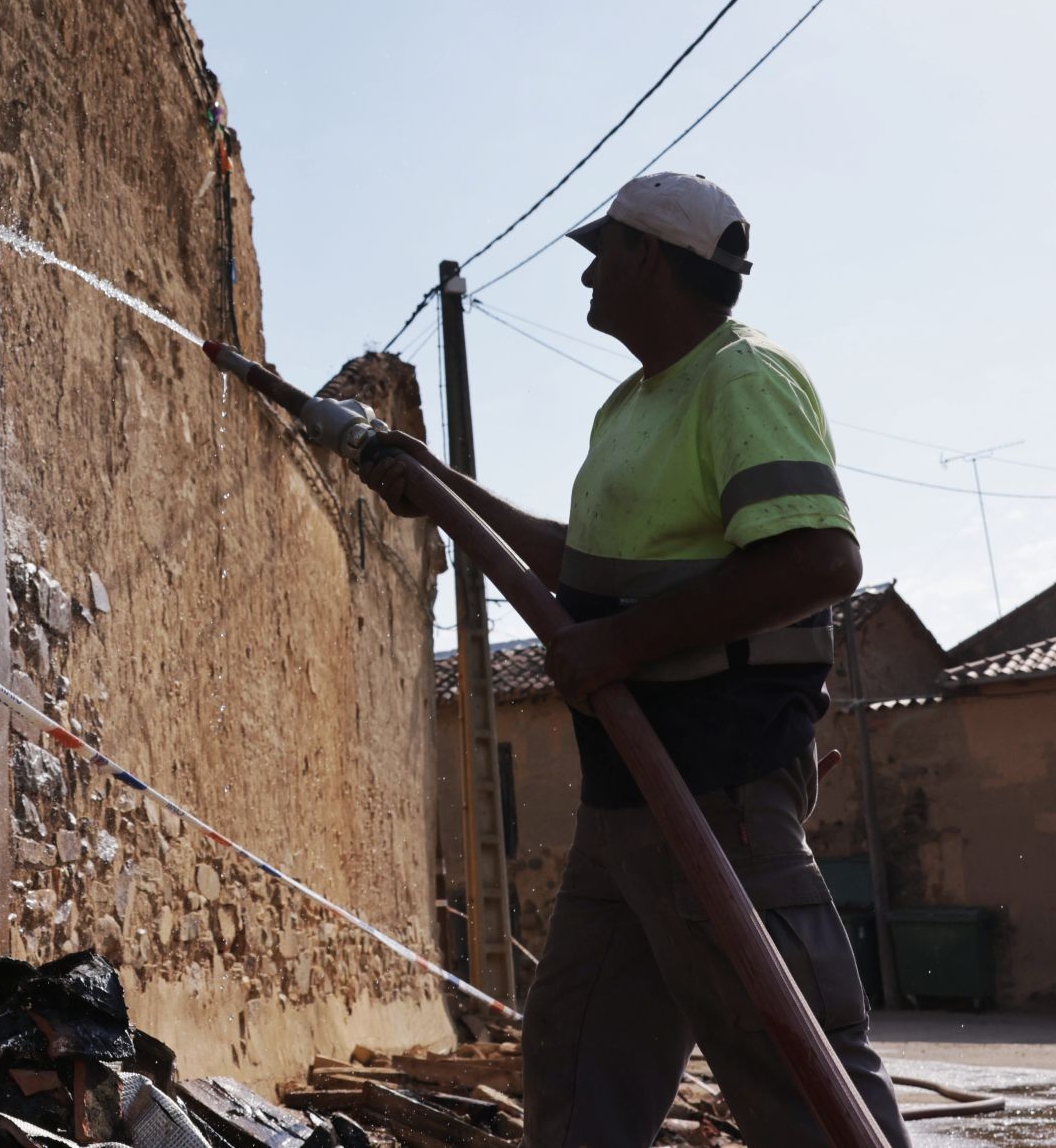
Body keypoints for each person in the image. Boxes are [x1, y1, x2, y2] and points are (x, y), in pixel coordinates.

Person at [359, 173, 909, 1148]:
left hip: (719, 784)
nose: (586, 274)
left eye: (602, 251)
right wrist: (438, 484)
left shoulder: (742, 377)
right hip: (624, 803)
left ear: (648, 256)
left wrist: (617, 643)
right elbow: (577, 563)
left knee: (795, 1075)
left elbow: (822, 559)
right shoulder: (629, 408)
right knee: (577, 1063)